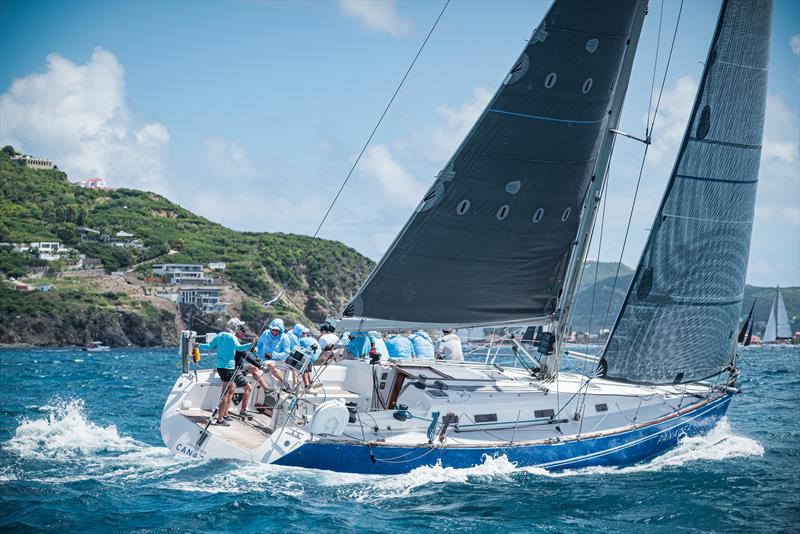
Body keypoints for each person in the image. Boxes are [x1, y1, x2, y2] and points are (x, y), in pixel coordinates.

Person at [196, 318, 255, 426]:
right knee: (225, 394)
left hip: (220, 367)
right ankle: (220, 419)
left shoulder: (219, 335)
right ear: (234, 327)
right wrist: (251, 345)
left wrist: (197, 345)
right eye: (237, 327)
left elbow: (209, 346)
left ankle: (224, 415)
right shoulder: (232, 337)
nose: (238, 329)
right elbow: (239, 348)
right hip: (228, 368)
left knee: (231, 389)